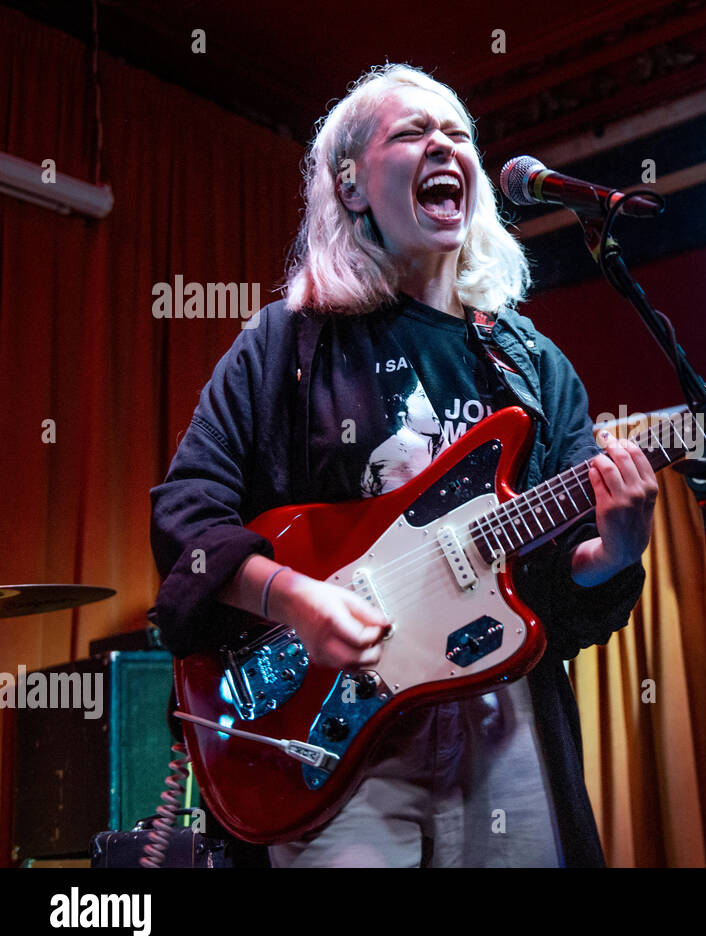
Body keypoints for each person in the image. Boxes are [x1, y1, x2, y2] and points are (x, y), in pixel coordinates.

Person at [148, 63, 658, 867]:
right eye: (413, 132)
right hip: (336, 742)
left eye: (458, 134)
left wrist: (613, 553)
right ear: (351, 187)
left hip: (500, 723)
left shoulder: (532, 364)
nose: (444, 146)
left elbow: (561, 577)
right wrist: (293, 598)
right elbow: (186, 516)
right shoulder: (285, 344)